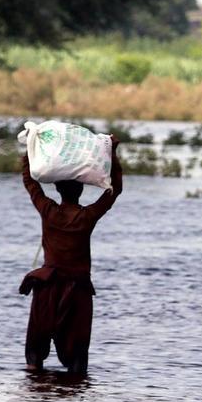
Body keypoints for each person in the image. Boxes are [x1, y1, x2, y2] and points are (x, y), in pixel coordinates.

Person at [19, 136, 124, 376]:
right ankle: (76, 396)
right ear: (81, 191)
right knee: (77, 351)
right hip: (77, 290)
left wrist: (30, 149)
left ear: (57, 189)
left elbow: (30, 183)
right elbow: (115, 190)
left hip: (48, 287)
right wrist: (112, 152)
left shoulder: (49, 211)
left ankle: (36, 390)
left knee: (36, 348)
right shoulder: (87, 216)